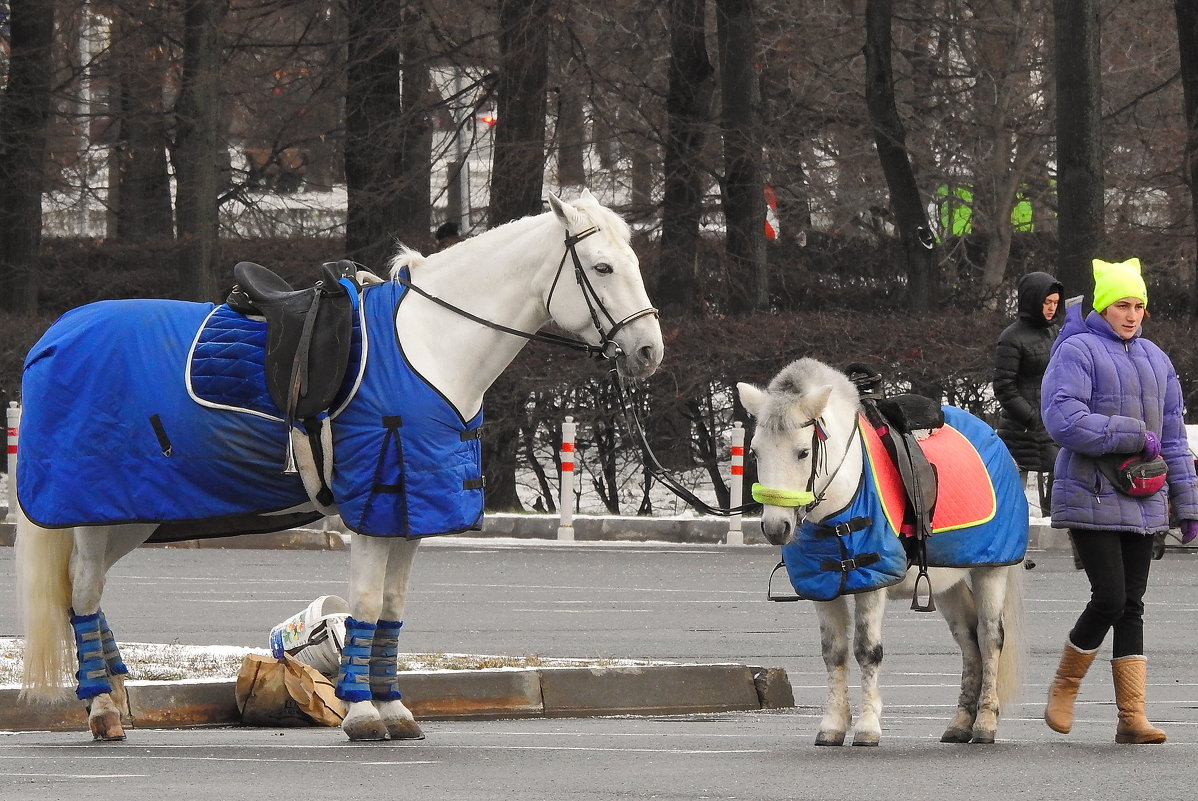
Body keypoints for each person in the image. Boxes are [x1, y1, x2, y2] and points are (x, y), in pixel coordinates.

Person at [1040, 257, 1198, 745]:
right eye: (1121, 305)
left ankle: (1132, 716)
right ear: (1103, 308)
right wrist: (1132, 433)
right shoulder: (1078, 350)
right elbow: (1062, 420)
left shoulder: (1156, 358)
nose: (1131, 314)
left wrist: (1188, 500)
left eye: (1138, 306)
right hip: (1091, 491)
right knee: (1109, 597)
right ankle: (1065, 685)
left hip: (1143, 495)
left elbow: (1172, 436)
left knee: (1132, 604)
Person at [992, 271, 1079, 569]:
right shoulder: (1011, 337)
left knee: (1069, 479)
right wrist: (1031, 418)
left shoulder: (1054, 332)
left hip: (1052, 423)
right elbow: (1003, 386)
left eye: (1056, 302)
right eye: (1047, 302)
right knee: (1013, 495)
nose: (1052, 308)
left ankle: (1082, 550)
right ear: (1033, 300)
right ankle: (1012, 553)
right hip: (1021, 428)